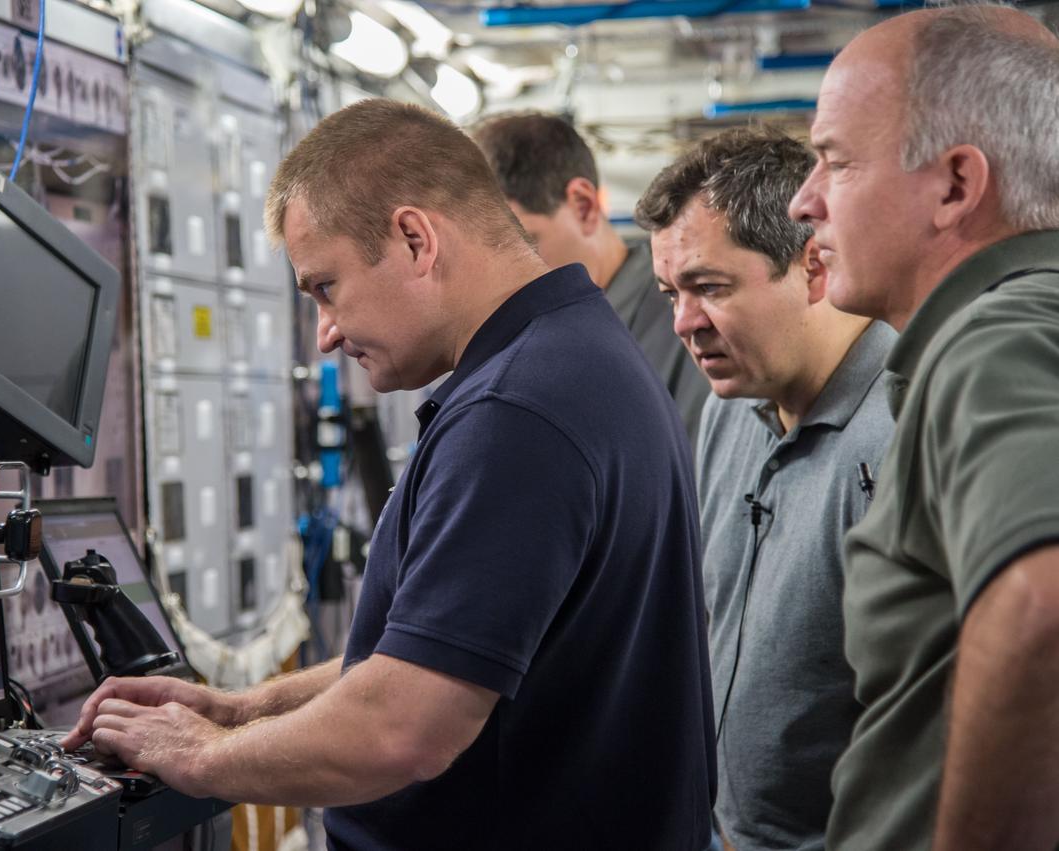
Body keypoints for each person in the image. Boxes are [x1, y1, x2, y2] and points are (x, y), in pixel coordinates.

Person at [64, 99, 715, 850]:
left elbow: (402, 727)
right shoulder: (575, 352)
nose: (326, 333)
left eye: (325, 287)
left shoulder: (515, 411)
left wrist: (200, 755)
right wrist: (241, 710)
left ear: (414, 239)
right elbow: (440, 655)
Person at [786, 7, 1059, 850]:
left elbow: (1043, 602)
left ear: (954, 185)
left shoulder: (993, 341)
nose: (803, 201)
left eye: (835, 161)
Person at [635, 126, 894, 851]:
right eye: (670, 293)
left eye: (710, 288)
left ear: (812, 266)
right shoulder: (728, 412)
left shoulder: (904, 432)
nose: (684, 323)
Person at [474, 113, 710, 443]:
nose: (504, 279)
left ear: (583, 205)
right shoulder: (542, 339)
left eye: (524, 244)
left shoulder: (683, 323)